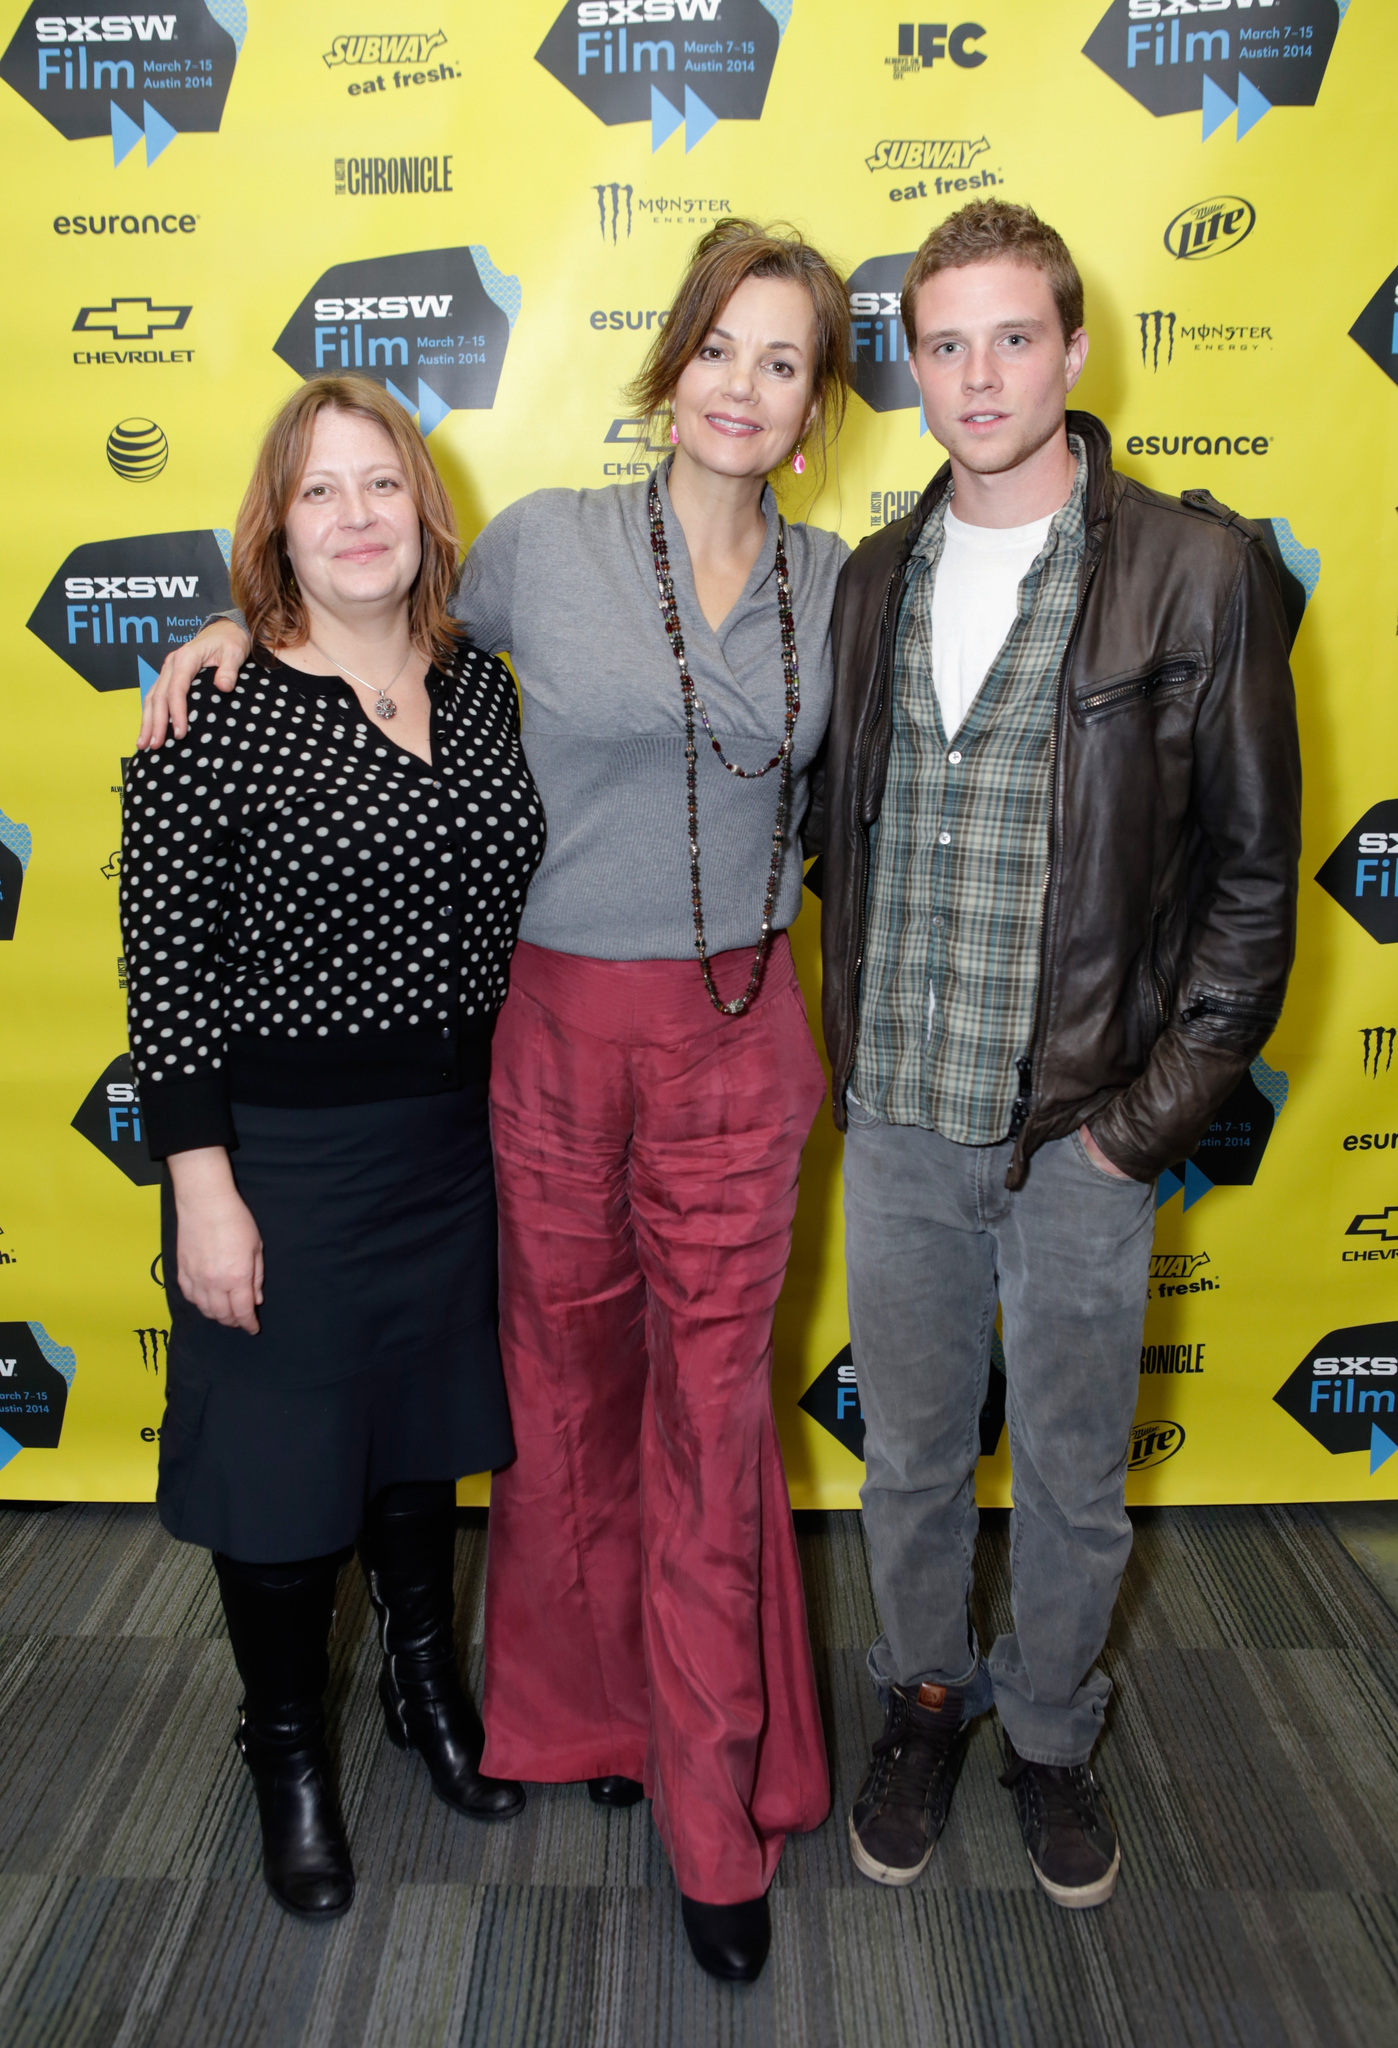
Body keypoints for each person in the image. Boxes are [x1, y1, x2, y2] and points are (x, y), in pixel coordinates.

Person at [137, 221, 852, 1982]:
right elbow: (357, 596)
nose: (741, 386)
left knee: (703, 1417)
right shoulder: (544, 550)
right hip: (538, 1049)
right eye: (718, 348)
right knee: (553, 1406)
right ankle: (582, 1719)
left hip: (732, 1040)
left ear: (818, 402)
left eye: (783, 361)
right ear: (668, 364)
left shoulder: (849, 584)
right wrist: (226, 627)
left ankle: (711, 1802)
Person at [811, 200, 1301, 1908]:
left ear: (1074, 351)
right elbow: (834, 839)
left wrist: (1137, 1126)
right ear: (912, 370)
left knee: (1079, 1479)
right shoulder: (873, 578)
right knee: (915, 1459)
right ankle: (926, 1697)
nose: (977, 374)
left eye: (1011, 336)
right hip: (897, 1118)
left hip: (1081, 1135)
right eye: (943, 343)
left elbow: (1250, 889)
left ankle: (1047, 1733)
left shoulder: (1192, 570)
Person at [121, 375, 544, 1922]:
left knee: (422, 1451)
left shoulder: (486, 684)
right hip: (283, 1162)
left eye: (381, 485)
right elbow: (162, 973)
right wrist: (205, 1192)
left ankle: (424, 1694)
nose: (356, 517)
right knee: (285, 1484)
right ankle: (285, 1746)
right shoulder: (213, 707)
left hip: (455, 1145)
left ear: (425, 510)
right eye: (319, 492)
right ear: (275, 529)